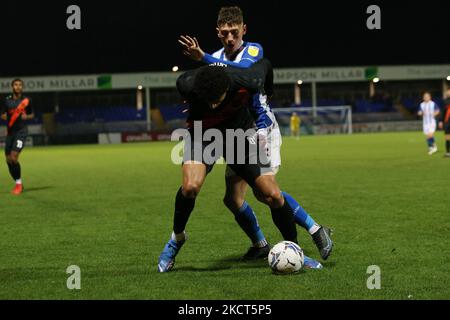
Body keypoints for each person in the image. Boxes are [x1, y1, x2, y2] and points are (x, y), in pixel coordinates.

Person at [178, 6, 332, 261]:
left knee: (265, 193)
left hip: (260, 128)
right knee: (232, 199)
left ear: (244, 30)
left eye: (234, 32)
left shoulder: (252, 49)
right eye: (225, 33)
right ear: (217, 32)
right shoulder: (216, 57)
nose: (230, 38)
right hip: (235, 133)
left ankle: (316, 230)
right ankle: (260, 243)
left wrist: (204, 58)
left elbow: (245, 74)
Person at [157, 60, 332, 272]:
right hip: (202, 136)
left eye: (217, 101)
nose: (213, 106)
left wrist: (270, 91)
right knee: (190, 187)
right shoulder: (186, 83)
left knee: (273, 195)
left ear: (228, 88)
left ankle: (295, 250)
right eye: (208, 101)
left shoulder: (246, 79)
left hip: (239, 137)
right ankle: (177, 238)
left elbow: (266, 64)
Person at [1, 79, 34, 195]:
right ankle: (18, 182)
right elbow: (3, 113)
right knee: (8, 160)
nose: (18, 87)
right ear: (12, 87)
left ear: (22, 87)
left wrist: (27, 117)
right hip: (10, 133)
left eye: (20, 85)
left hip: (21, 132)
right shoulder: (6, 101)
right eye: (16, 85)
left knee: (14, 157)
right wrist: (5, 116)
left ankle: (18, 185)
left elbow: (31, 114)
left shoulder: (27, 100)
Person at [438, 88, 450, 157]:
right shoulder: (445, 101)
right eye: (448, 92)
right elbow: (442, 112)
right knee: (447, 137)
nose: (449, 93)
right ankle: (448, 152)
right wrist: (440, 121)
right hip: (447, 122)